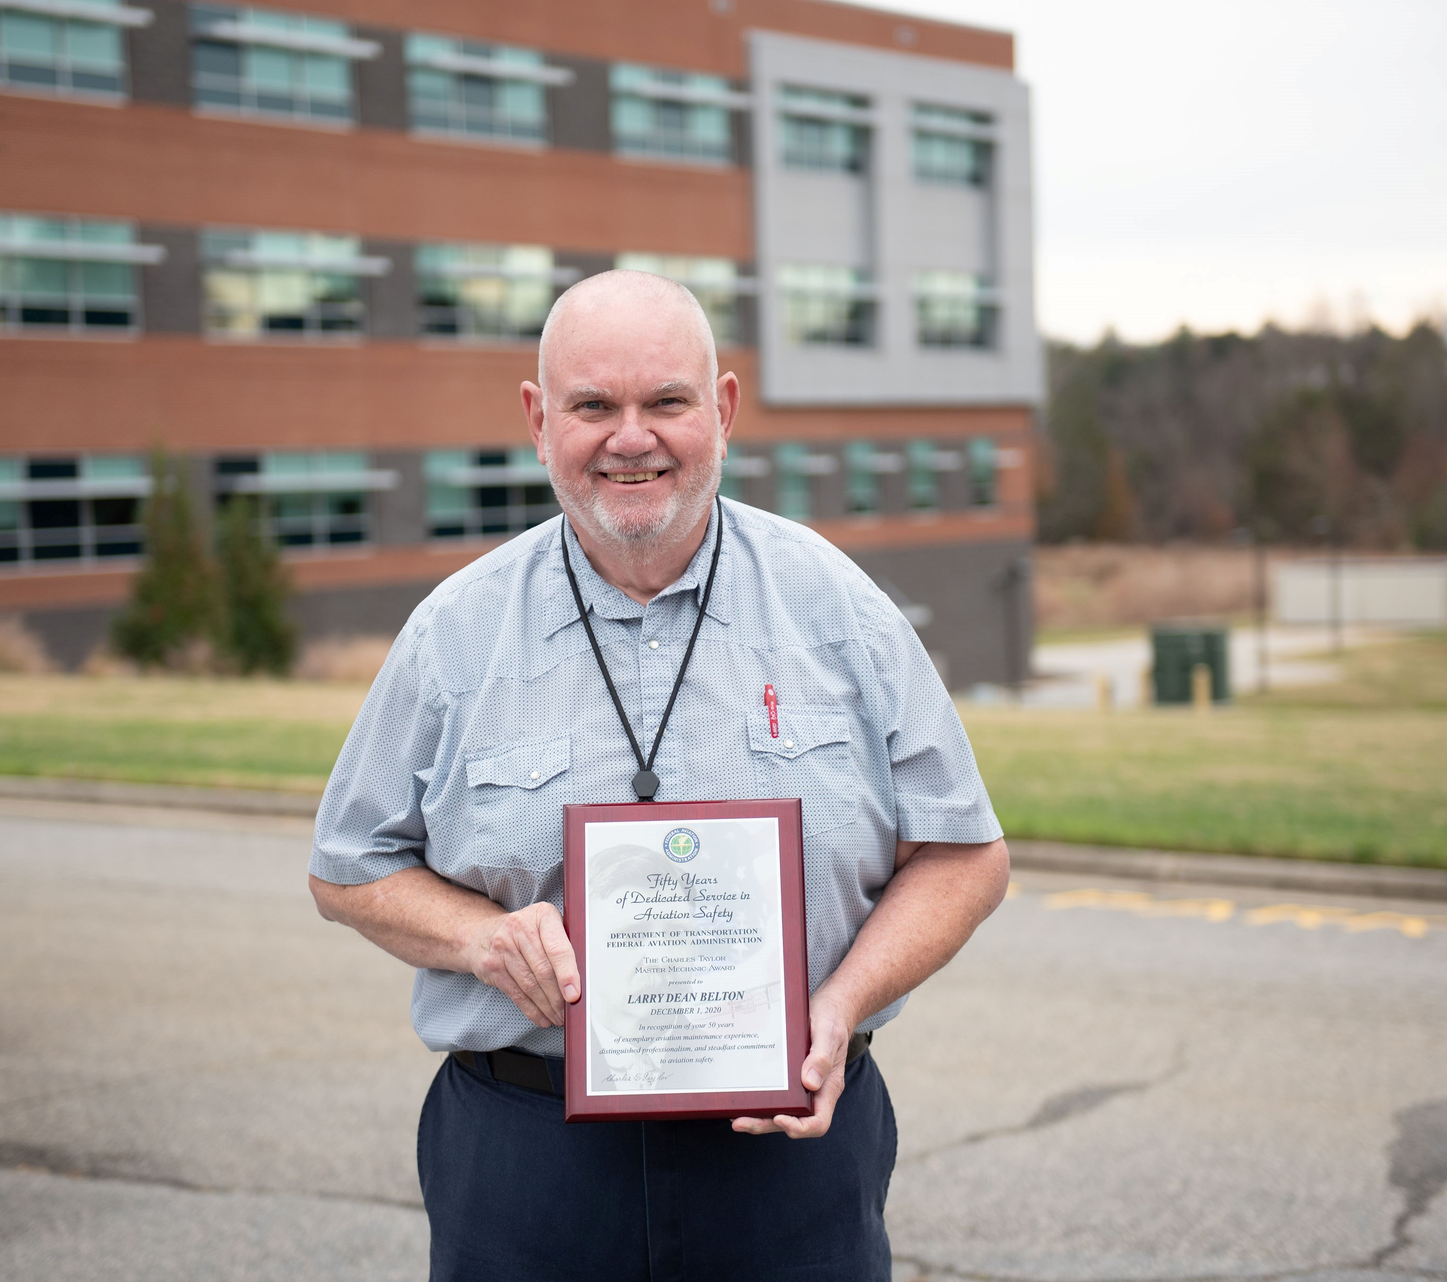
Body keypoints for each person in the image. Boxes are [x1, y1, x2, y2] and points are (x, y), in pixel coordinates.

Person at [308, 270, 1009, 1281]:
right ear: (538, 421)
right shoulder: (451, 637)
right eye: (593, 405)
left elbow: (964, 853)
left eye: (665, 402)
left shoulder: (839, 610)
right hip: (528, 1155)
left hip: (790, 1159)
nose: (629, 437)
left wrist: (842, 1000)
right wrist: (482, 935)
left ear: (720, 409)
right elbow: (346, 866)